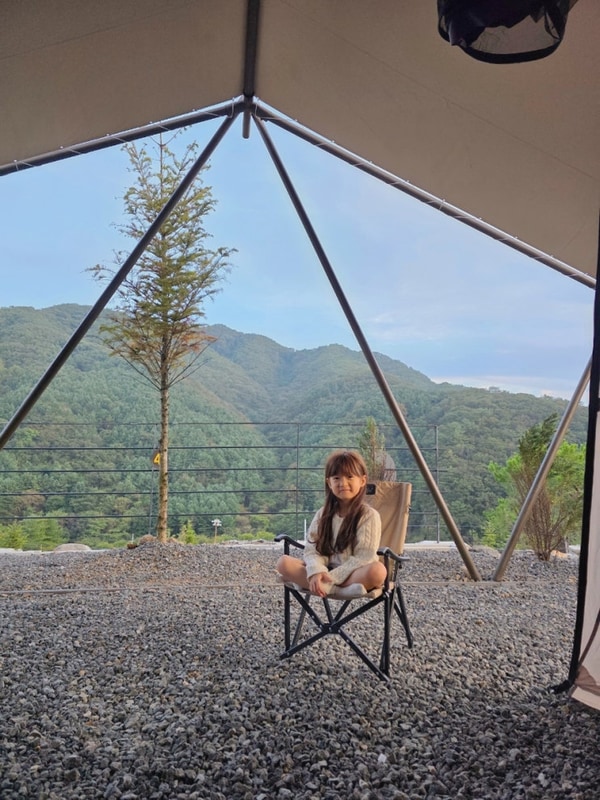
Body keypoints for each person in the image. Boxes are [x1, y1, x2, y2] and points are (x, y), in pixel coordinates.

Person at [276, 450, 387, 598]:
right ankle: (336, 589)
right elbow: (312, 550)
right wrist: (316, 571)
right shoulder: (323, 514)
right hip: (326, 571)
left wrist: (331, 578)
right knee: (283, 563)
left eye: (349, 477)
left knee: (378, 571)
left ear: (362, 480)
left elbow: (364, 557)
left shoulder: (369, 516)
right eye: (336, 478)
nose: (343, 483)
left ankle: (324, 587)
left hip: (353, 573)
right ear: (329, 482)